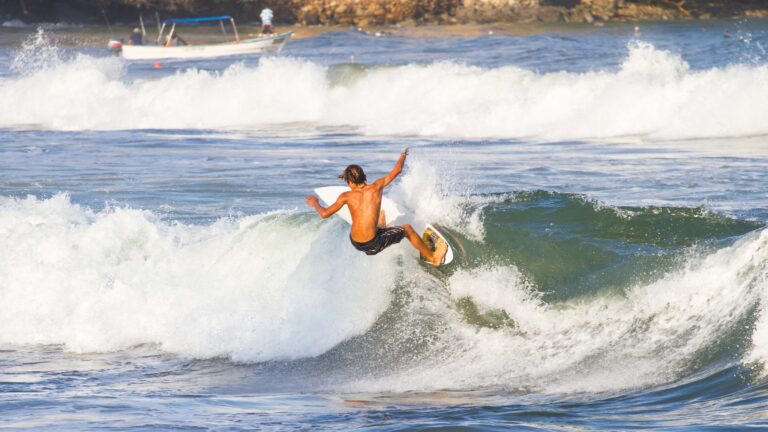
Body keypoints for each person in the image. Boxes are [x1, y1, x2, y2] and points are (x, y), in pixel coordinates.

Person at [305, 149, 448, 266]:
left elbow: (324, 214)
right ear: (364, 177)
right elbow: (397, 170)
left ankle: (379, 226)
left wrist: (314, 203)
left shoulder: (346, 196)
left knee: (373, 219)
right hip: (372, 244)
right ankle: (433, 258)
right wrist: (402, 156)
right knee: (408, 229)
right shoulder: (376, 187)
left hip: (355, 241)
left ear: (350, 182)